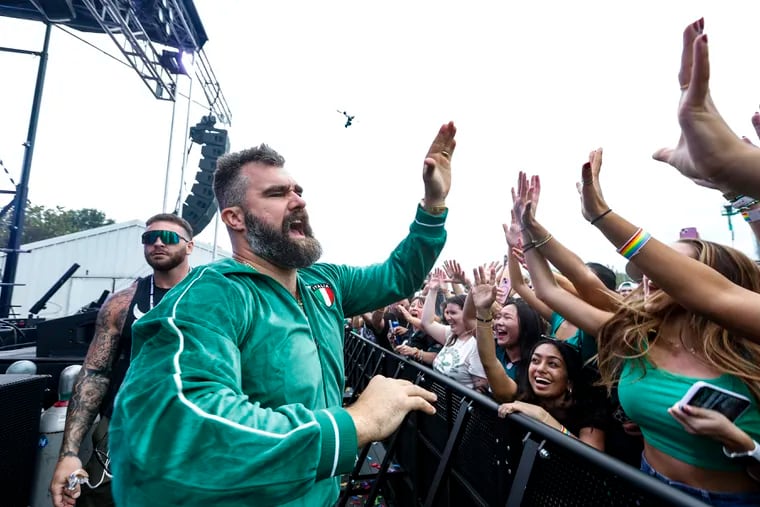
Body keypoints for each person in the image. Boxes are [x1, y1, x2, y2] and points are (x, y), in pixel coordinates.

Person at [108, 122, 457, 507]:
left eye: (297, 191)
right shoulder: (212, 294)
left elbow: (398, 276)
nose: (298, 201)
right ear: (235, 218)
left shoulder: (325, 281)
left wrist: (432, 205)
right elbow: (187, 423)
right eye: (277, 193)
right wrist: (358, 422)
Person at [50, 213, 195, 507]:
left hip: (189, 430)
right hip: (123, 430)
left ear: (189, 246)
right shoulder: (122, 302)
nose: (157, 243)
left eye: (167, 237)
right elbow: (95, 373)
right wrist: (69, 453)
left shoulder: (210, 295)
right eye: (149, 238)